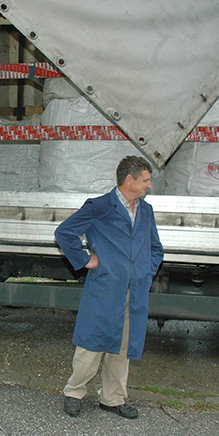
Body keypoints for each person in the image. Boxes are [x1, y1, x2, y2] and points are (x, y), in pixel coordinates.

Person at [55, 155, 163, 419]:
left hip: (134, 292)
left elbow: (155, 248)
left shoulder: (145, 210)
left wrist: (146, 274)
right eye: (145, 180)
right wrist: (85, 260)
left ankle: (112, 399)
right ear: (130, 180)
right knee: (91, 345)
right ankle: (74, 392)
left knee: (122, 348)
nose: (149, 186)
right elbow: (64, 233)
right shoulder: (100, 206)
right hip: (105, 289)